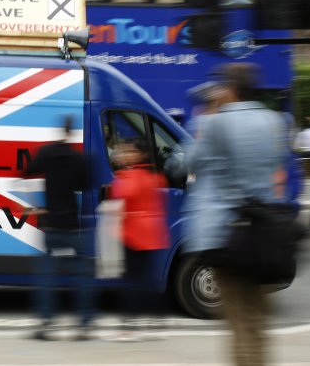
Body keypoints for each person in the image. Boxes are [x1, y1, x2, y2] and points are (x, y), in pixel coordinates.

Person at [185, 63, 288, 366]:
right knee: (257, 324)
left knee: (239, 323)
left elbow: (191, 162)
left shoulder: (217, 123)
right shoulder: (275, 121)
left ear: (231, 89)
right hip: (266, 234)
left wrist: (207, 117)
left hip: (228, 235)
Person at [23, 115, 95, 341]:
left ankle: (46, 325)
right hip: (73, 226)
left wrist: (37, 205)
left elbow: (26, 173)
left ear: (58, 130)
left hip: (52, 225)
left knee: (46, 277)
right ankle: (83, 325)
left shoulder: (46, 153)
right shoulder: (78, 158)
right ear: (71, 133)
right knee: (83, 277)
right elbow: (84, 185)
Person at [109, 138, 169, 341]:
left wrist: (120, 171)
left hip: (135, 234)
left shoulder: (132, 175)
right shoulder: (153, 175)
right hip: (150, 233)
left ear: (140, 154)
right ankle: (157, 321)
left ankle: (129, 325)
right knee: (147, 279)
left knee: (131, 280)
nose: (125, 154)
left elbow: (121, 192)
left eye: (129, 151)